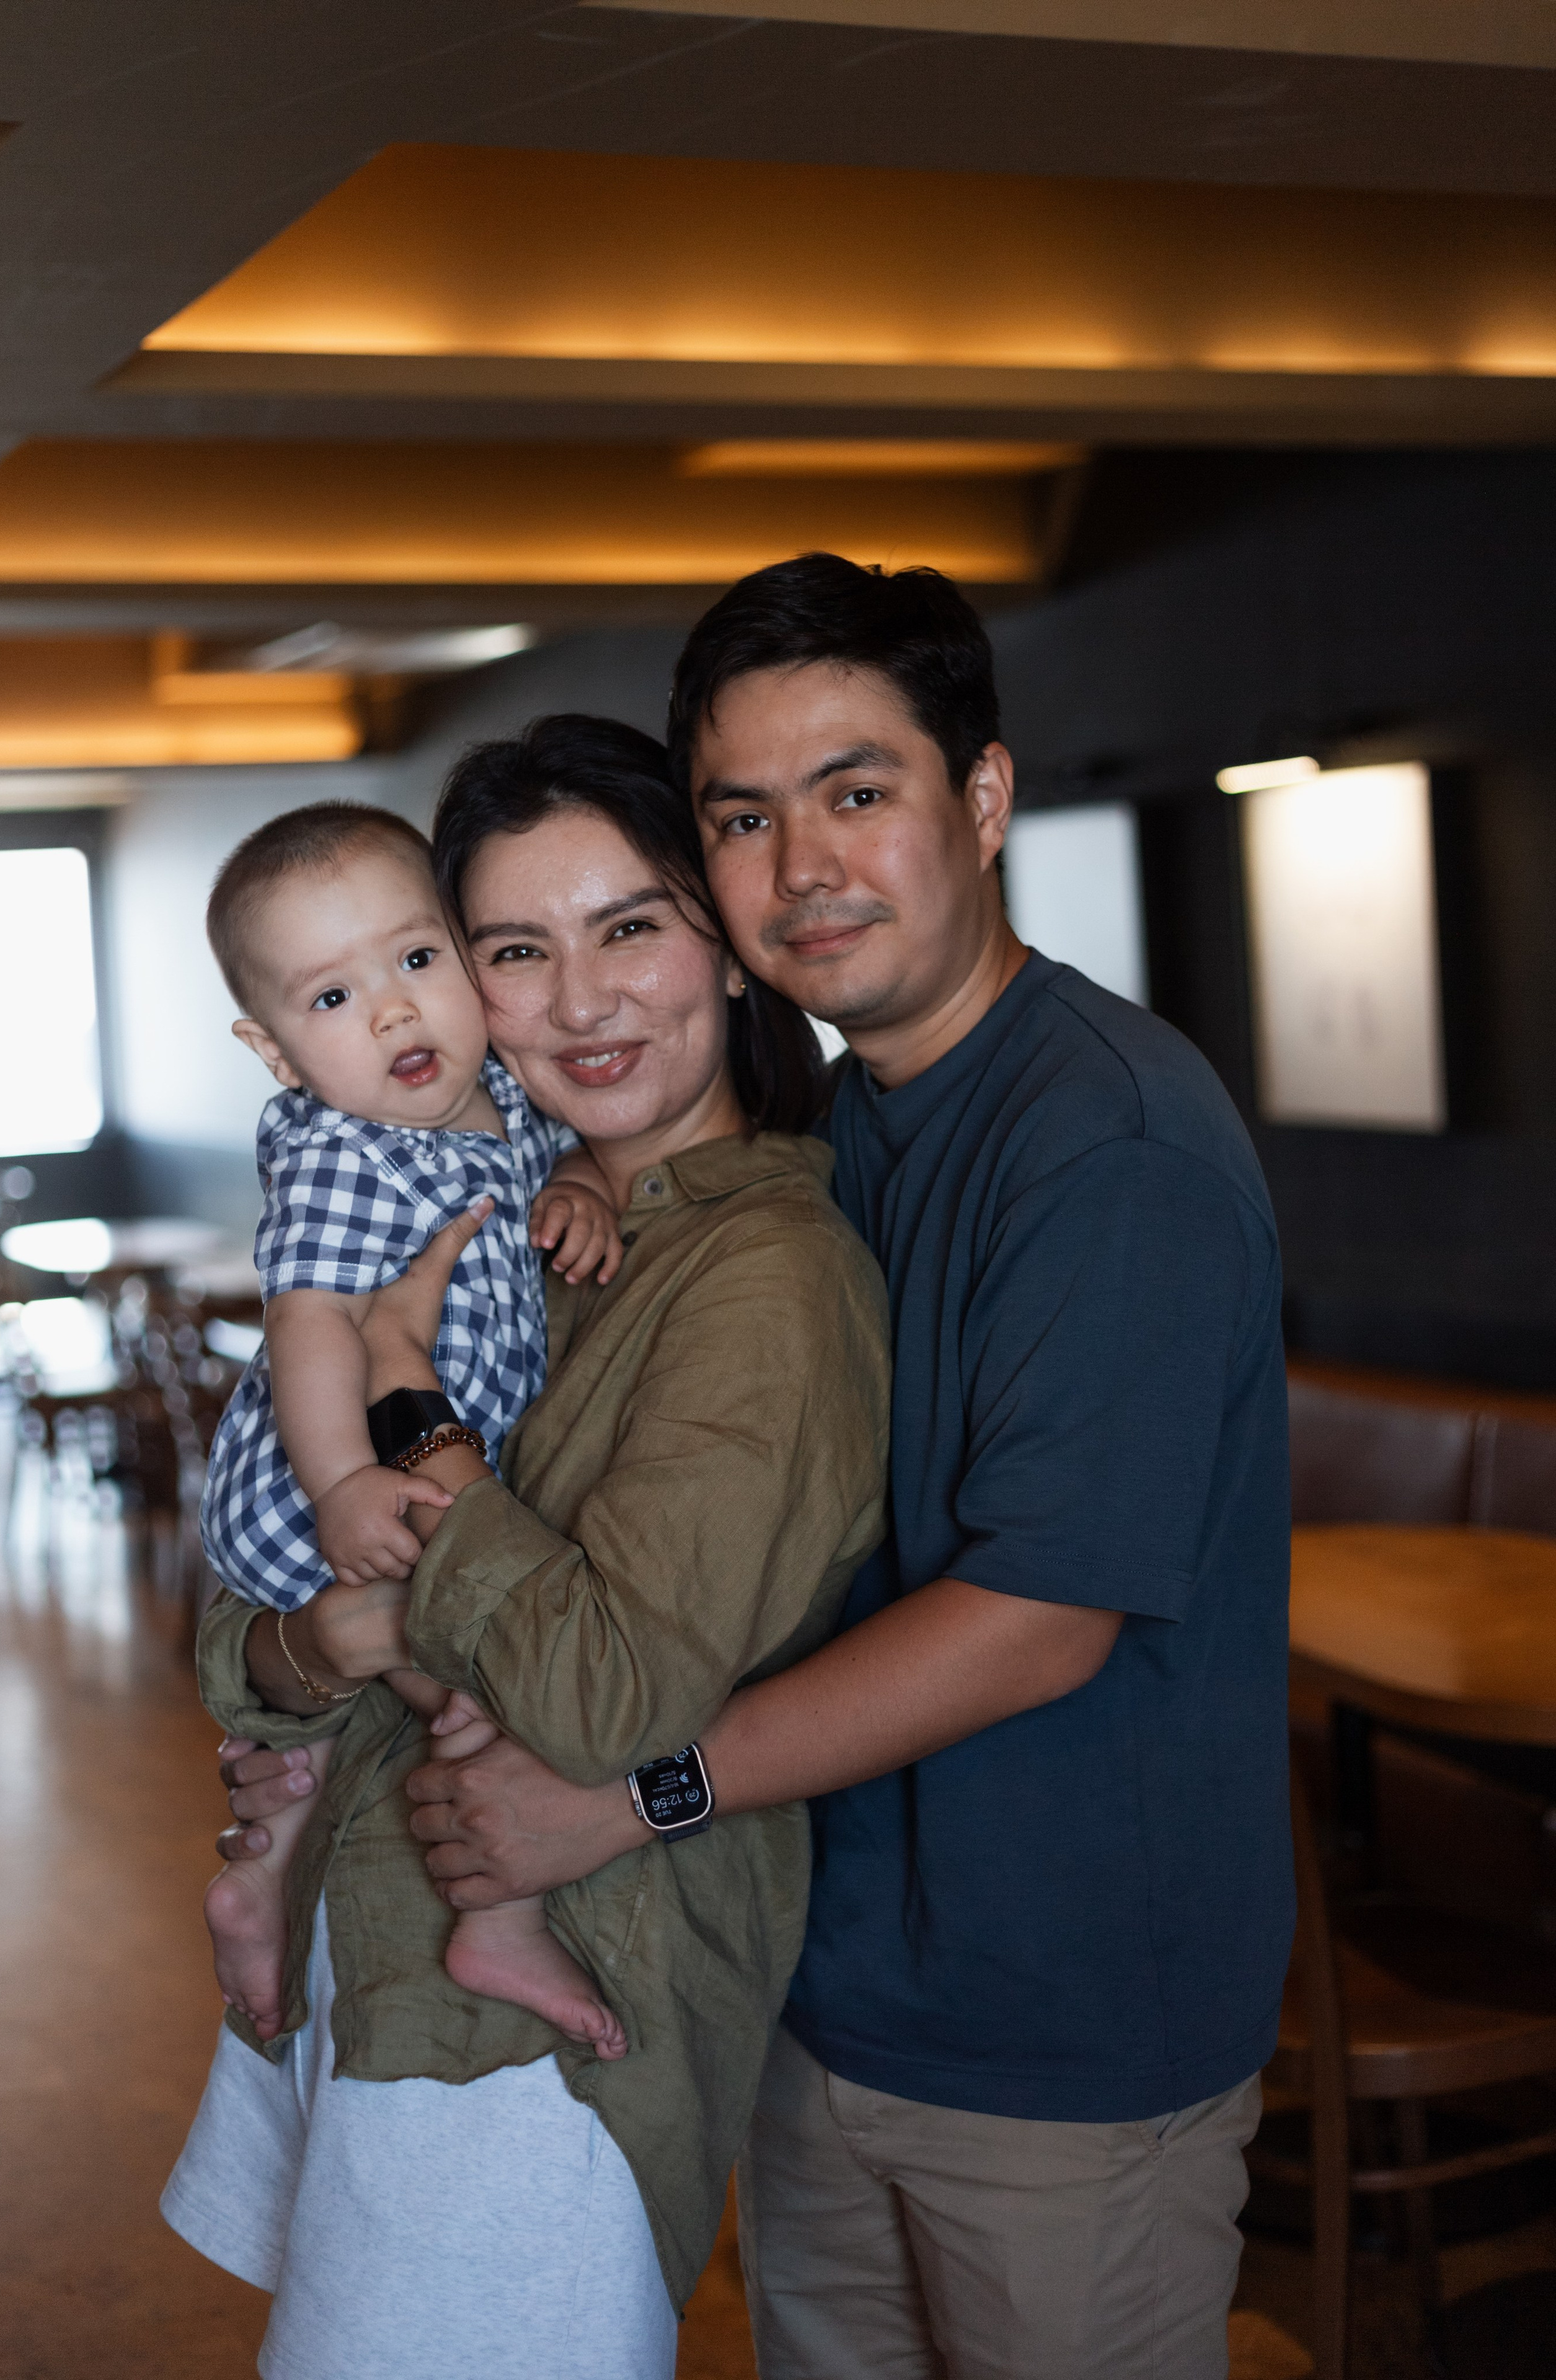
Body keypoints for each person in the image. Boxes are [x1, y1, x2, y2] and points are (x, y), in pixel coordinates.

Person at [331, 560, 1296, 2379]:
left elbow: (1040, 1618)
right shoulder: (842, 1128)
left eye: (858, 793)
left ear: (982, 798)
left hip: (1063, 2026)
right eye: (744, 819)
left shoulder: (1111, 1144)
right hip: (830, 1986)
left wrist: (632, 1798)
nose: (804, 870)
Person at [164, 715, 890, 2380]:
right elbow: (257, 1636)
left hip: (527, 2055)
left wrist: (408, 1400)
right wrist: (317, 1645)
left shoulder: (765, 1279)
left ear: (726, 941)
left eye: (628, 926)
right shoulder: (507, 1201)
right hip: (381, 1964)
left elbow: (596, 1694)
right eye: (513, 950)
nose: (577, 1000)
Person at [197, 799, 629, 2055]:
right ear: (275, 1051)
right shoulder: (342, 1154)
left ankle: (260, 1875)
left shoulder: (504, 1094)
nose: (393, 1012)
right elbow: (314, 1325)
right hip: (333, 1476)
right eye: (333, 998)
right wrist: (340, 1483)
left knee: (334, 1729)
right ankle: (501, 1916)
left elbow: (563, 1152)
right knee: (489, 1692)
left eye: (418, 959)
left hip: (421, 1457)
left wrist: (581, 1184)